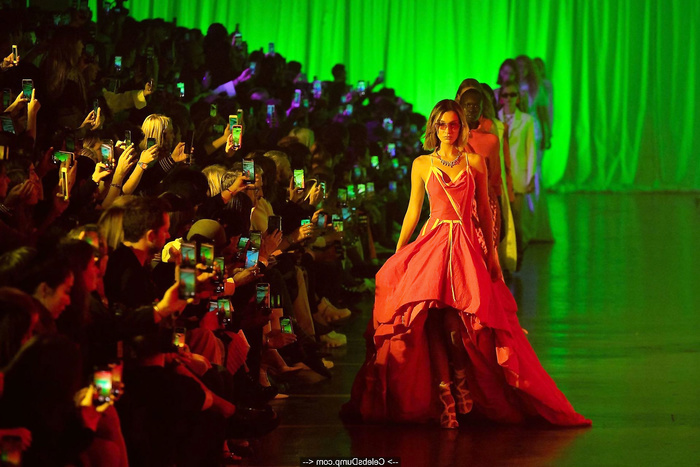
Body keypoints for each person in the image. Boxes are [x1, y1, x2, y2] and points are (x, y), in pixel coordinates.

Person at [344, 100, 590, 429]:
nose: (448, 130)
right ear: (434, 127)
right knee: (429, 321)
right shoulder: (422, 164)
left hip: (464, 246)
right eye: (442, 124)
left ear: (461, 127)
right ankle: (445, 391)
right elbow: (413, 210)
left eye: (454, 124)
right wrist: (399, 254)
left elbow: (484, 210)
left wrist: (492, 254)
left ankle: (459, 384)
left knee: (458, 322)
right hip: (432, 245)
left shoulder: (474, 162)